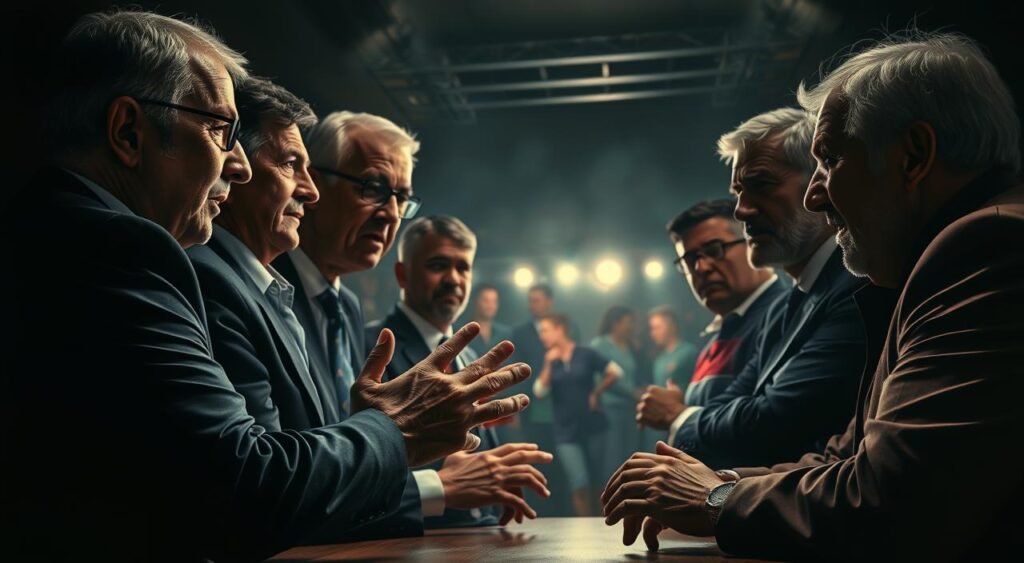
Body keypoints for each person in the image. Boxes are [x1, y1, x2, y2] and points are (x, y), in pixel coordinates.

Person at [2, 11, 529, 562]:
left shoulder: (64, 232)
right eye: (219, 130)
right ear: (128, 132)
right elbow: (248, 487)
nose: (238, 166)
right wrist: (397, 432)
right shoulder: (121, 252)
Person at [603, 32, 1024, 561]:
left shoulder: (988, 248)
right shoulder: (949, 256)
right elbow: (846, 457)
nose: (814, 193)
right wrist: (713, 480)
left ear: (914, 156)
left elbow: (892, 501)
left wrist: (716, 496)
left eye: (829, 161)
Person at [273, 113, 545, 536]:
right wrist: (436, 487)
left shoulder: (343, 305)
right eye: (374, 188)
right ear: (311, 185)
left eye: (402, 198)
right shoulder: (267, 290)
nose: (392, 214)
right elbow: (271, 479)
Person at [639, 107, 870, 471]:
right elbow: (729, 411)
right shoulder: (786, 307)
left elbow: (777, 420)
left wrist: (681, 416)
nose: (742, 210)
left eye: (761, 184)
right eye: (738, 190)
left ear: (819, 182)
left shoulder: (858, 286)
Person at [366, 215, 554, 528]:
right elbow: (357, 470)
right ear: (402, 274)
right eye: (438, 265)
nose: (454, 278)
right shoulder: (371, 348)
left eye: (463, 267)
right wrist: (437, 488)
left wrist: (498, 473)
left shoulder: (469, 355)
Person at [534, 313, 622, 516]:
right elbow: (539, 391)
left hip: (593, 426)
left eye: (545, 331)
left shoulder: (585, 353)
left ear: (561, 329)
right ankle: (584, 533)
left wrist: (596, 392)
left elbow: (616, 372)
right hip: (565, 430)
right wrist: (548, 364)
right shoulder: (550, 359)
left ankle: (603, 529)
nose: (542, 336)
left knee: (598, 482)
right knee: (578, 482)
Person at [590, 306, 643, 483]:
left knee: (630, 455)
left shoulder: (630, 347)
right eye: (628, 322)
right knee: (613, 457)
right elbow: (598, 379)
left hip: (631, 409)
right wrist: (632, 392)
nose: (632, 326)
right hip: (610, 408)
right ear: (616, 323)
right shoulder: (600, 345)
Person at [644, 305, 699, 447]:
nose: (653, 333)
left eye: (657, 327)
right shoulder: (658, 360)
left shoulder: (689, 353)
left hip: (681, 421)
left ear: (671, 327)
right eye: (651, 329)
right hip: (658, 423)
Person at [466, 284, 512, 357]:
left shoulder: (505, 334)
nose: (490, 306)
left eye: (494, 301)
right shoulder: (463, 331)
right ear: (475, 302)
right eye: (485, 300)